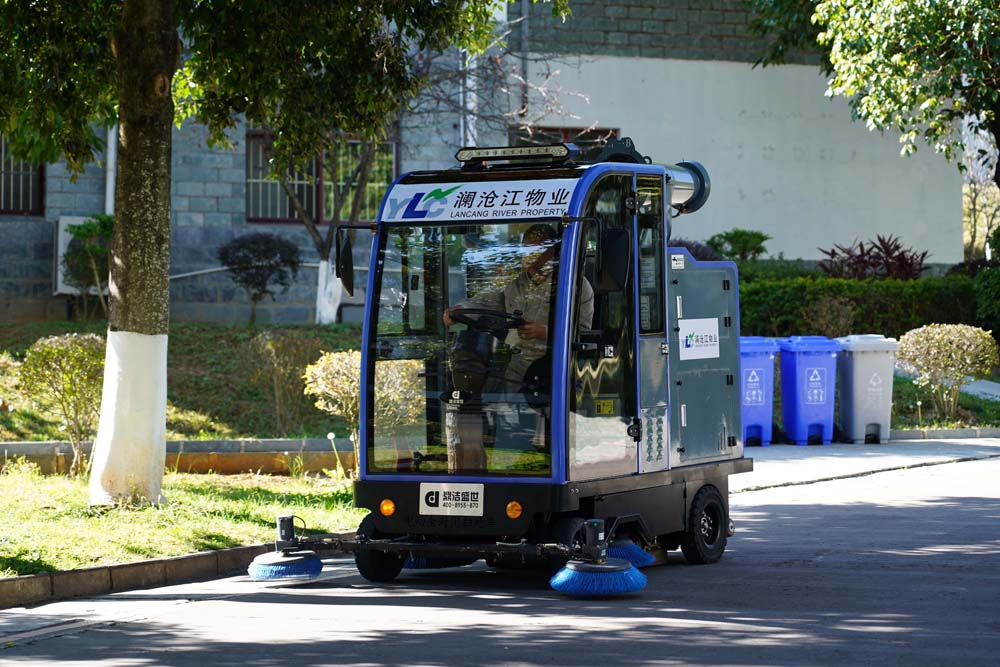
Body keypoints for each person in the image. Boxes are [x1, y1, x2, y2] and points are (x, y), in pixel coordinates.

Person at [441, 223, 594, 465]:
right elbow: (485, 301)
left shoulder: (576, 285)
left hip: (555, 366)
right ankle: (499, 464)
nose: (529, 256)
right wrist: (460, 309)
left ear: (553, 251)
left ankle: (547, 463)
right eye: (526, 250)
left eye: (536, 250)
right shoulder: (514, 283)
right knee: (498, 414)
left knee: (543, 426)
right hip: (516, 364)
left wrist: (545, 333)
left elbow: (585, 335)